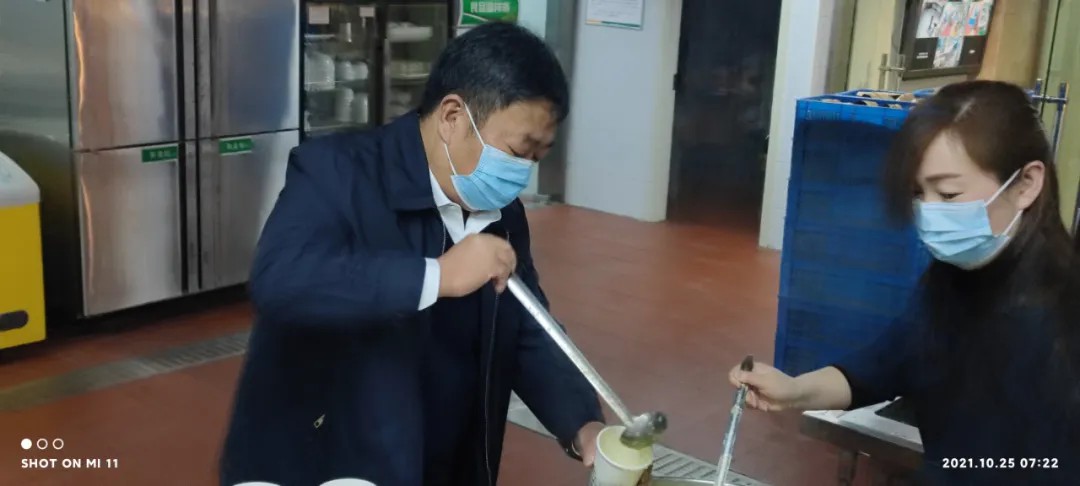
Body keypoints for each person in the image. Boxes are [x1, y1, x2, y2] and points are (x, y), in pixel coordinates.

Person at [219, 22, 605, 486]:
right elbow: (281, 278)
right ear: (452, 116)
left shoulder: (502, 213)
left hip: (447, 453)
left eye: (537, 158)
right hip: (333, 463)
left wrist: (581, 423)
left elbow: (525, 326)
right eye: (518, 151)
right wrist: (436, 276)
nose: (522, 173)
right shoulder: (337, 172)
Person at [729, 81, 1080, 484]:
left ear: (1025, 184)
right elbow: (884, 364)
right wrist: (795, 390)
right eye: (918, 193)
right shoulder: (954, 278)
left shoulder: (1055, 324)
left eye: (948, 194)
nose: (928, 214)